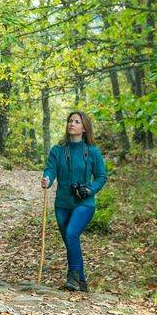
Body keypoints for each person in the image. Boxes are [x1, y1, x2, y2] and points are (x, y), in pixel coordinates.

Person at [41, 111, 107, 292]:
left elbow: (101, 176)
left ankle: (73, 276)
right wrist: (47, 178)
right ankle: (81, 281)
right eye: (70, 121)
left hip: (84, 203)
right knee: (70, 241)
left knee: (71, 234)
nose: (72, 124)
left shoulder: (92, 151)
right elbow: (50, 169)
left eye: (77, 122)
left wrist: (91, 189)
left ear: (84, 128)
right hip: (62, 204)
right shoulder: (58, 150)